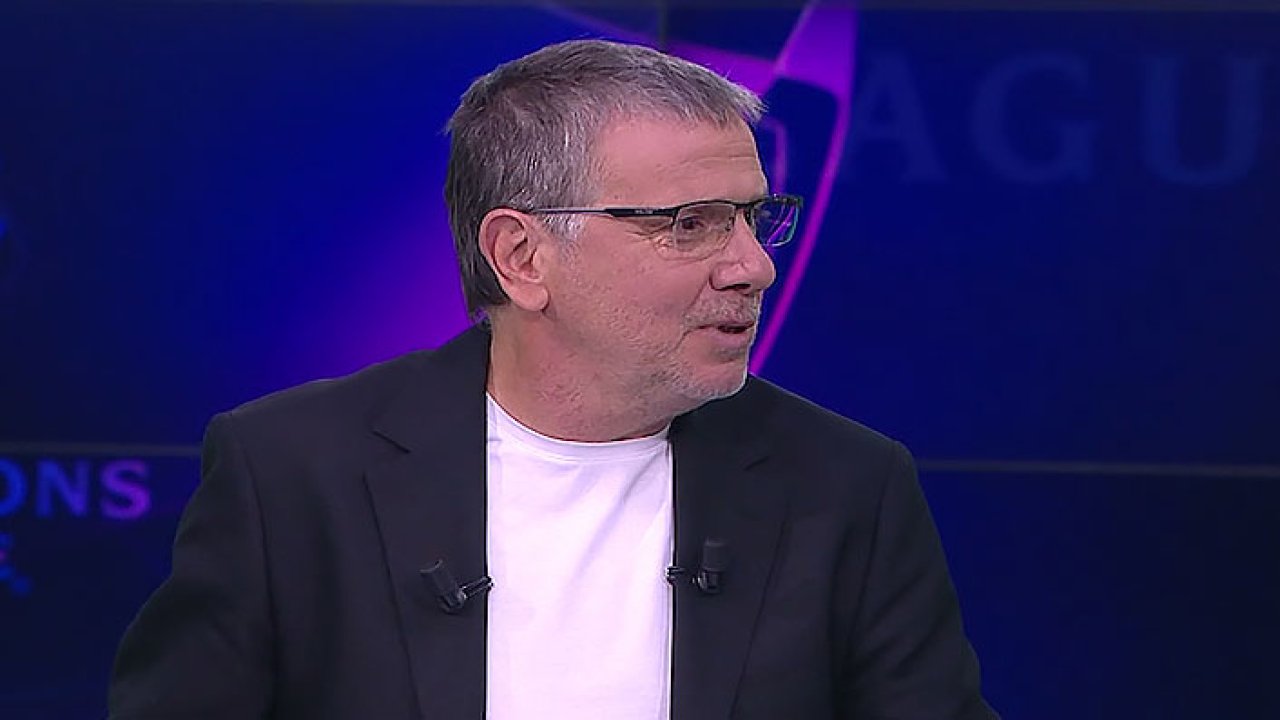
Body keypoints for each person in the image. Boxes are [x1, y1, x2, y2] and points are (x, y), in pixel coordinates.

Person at [109, 39, 997, 720]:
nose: (752, 267)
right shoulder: (290, 472)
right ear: (522, 256)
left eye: (752, 218)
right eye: (690, 224)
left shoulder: (846, 485)